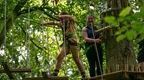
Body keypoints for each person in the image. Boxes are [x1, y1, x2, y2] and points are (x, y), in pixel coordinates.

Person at [42, 12, 86, 79]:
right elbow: (53, 23)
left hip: (73, 41)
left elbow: (71, 16)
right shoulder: (62, 23)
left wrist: (60, 16)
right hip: (66, 42)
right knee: (59, 56)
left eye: (63, 18)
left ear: (66, 17)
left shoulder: (71, 21)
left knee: (76, 59)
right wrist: (44, 23)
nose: (61, 20)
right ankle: (55, 73)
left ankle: (83, 75)